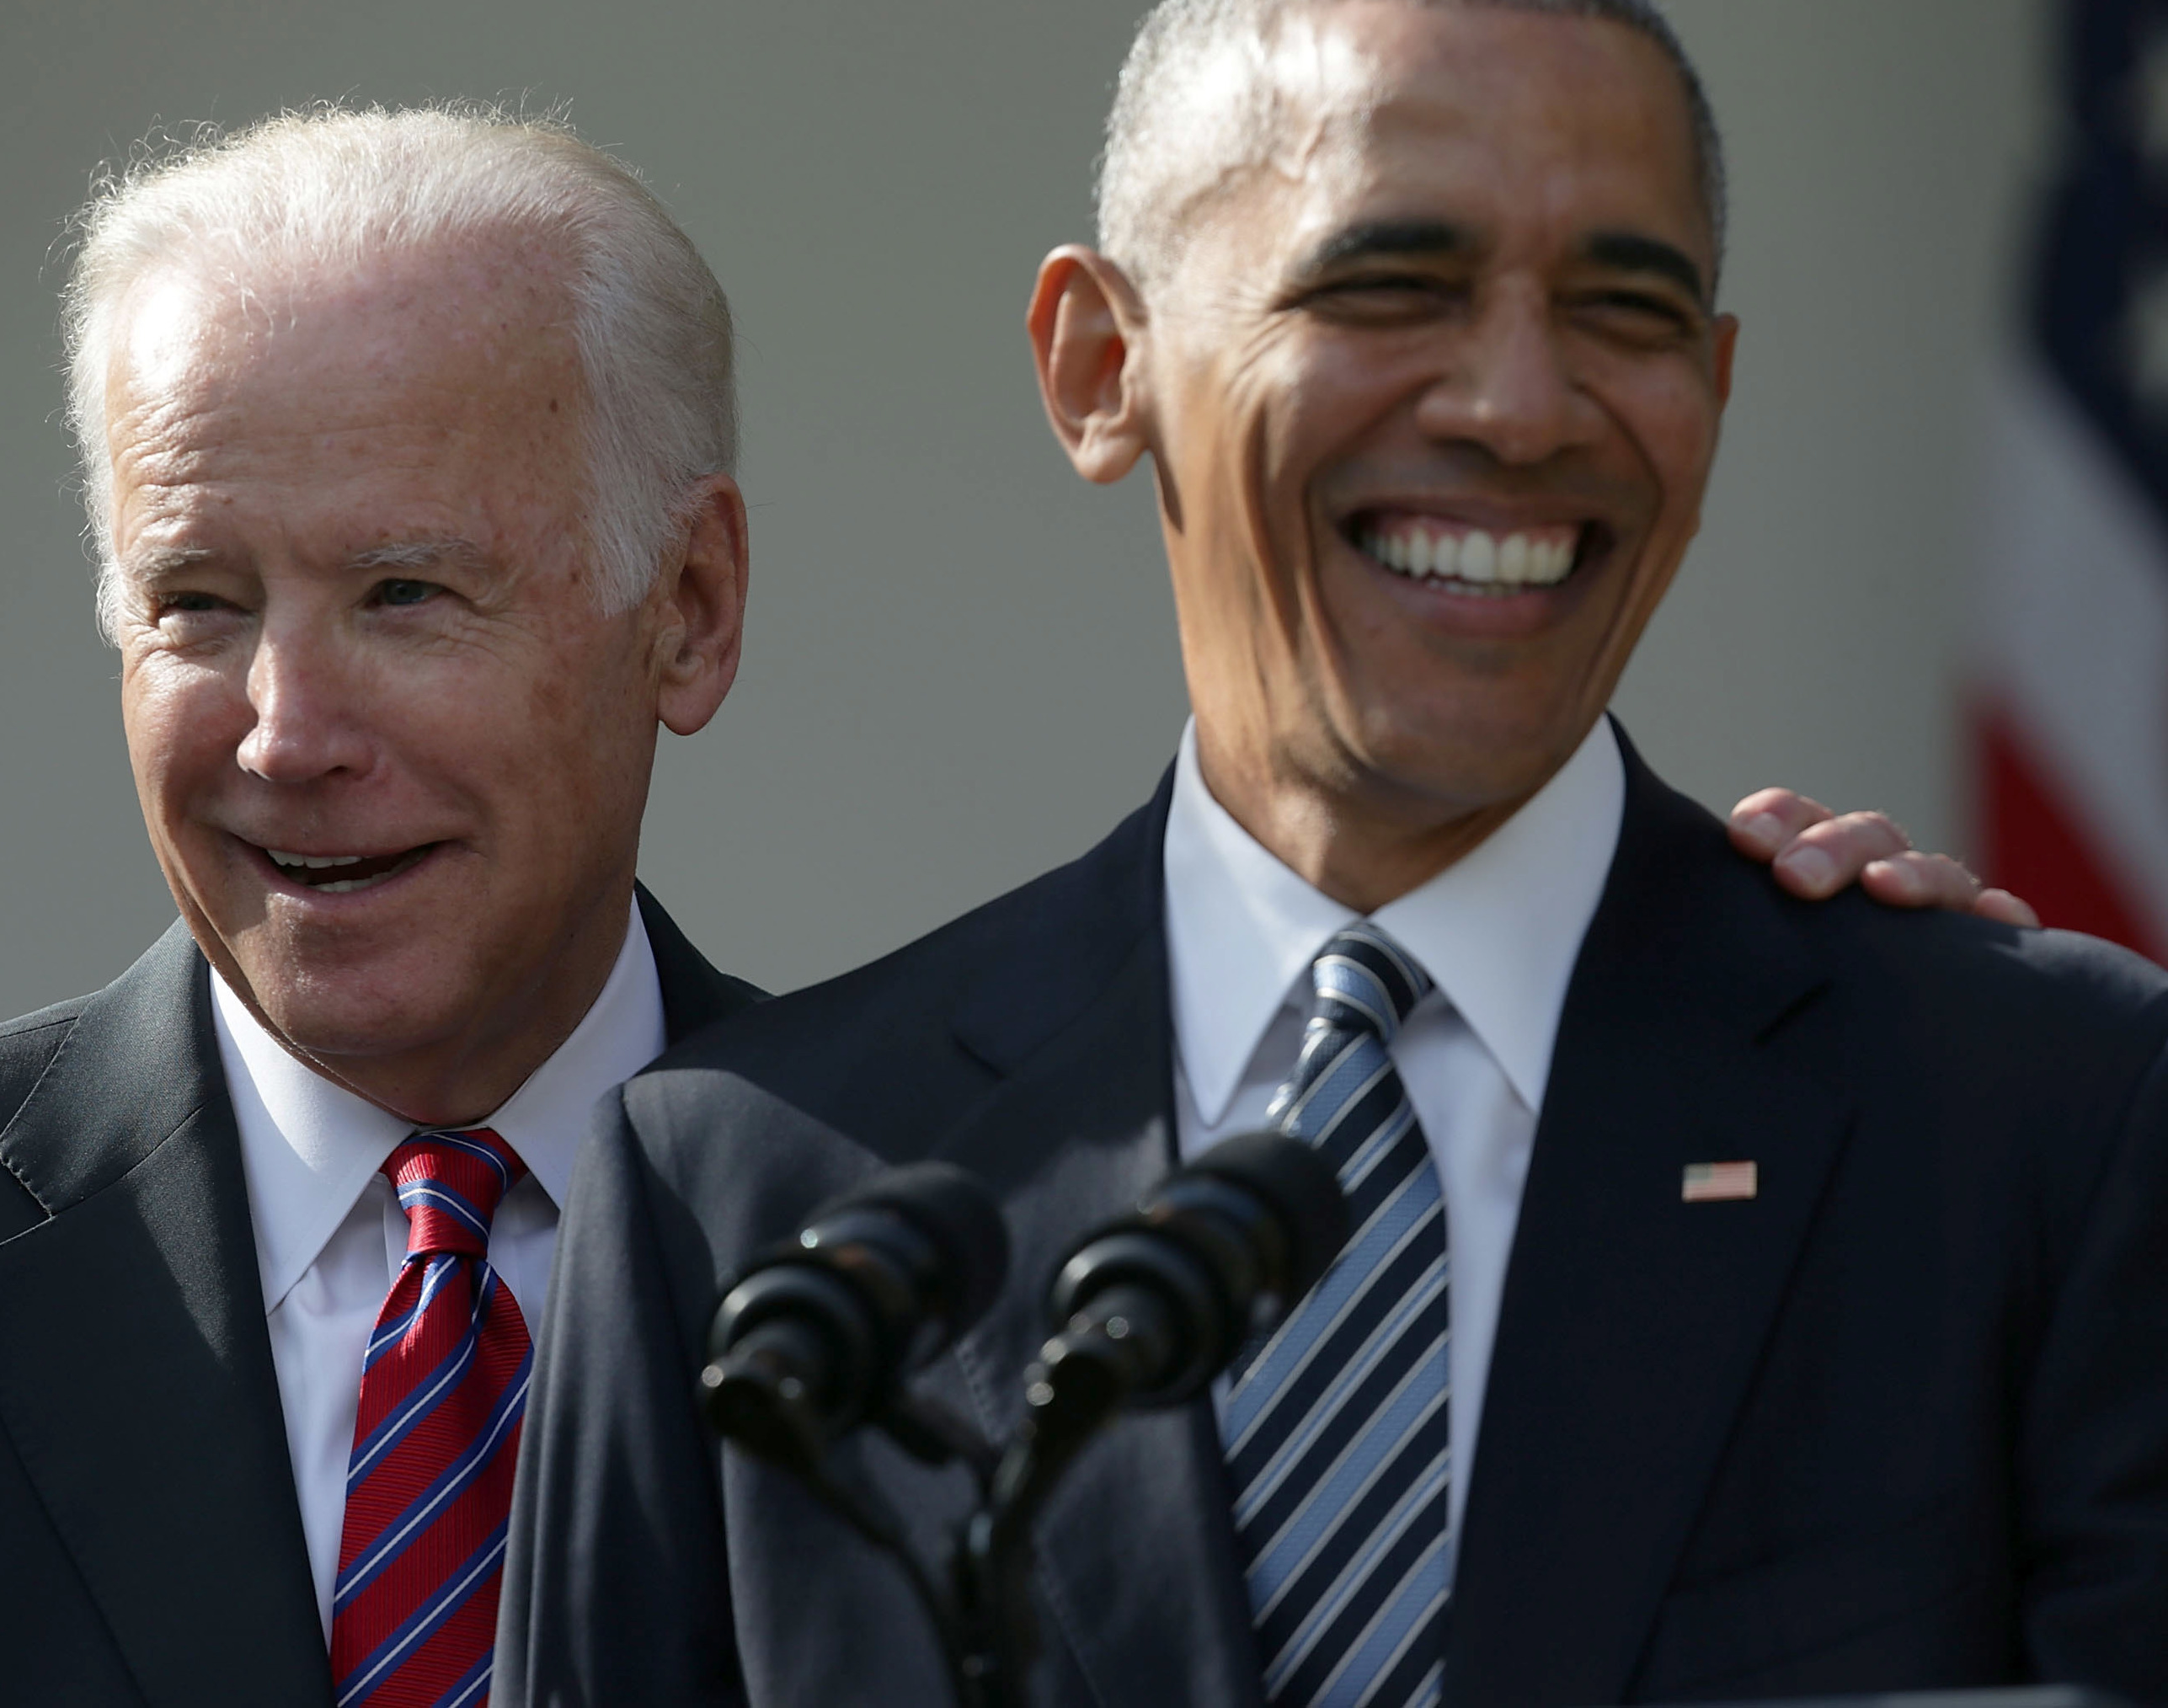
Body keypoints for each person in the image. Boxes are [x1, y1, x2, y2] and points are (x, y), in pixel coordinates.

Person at [502, 4, 2168, 1706]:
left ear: (1715, 393)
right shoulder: (747, 1201)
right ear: (1101, 366)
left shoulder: (2039, 1121)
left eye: (1624, 307)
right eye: (1391, 285)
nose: (1522, 408)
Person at [0, 108, 754, 1708]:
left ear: (688, 611)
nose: (285, 735)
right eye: (198, 604)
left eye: (404, 594)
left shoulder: (983, 1240)